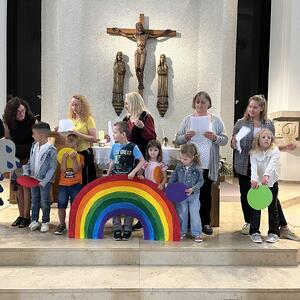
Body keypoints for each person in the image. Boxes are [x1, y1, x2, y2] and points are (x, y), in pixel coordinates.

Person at [231, 94, 299, 241]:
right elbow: (233, 144)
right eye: (250, 106)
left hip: (264, 165)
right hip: (245, 163)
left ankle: (283, 226)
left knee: (270, 196)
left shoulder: (268, 124)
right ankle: (250, 223)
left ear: (262, 108)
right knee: (246, 194)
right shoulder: (240, 123)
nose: (252, 109)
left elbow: (271, 146)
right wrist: (234, 141)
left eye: (255, 107)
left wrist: (285, 147)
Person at [176, 91, 228, 235]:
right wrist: (185, 137)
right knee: (188, 193)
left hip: (207, 163)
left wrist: (214, 137)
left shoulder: (216, 120)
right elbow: (178, 139)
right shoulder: (187, 120)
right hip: (190, 164)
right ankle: (187, 223)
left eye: (203, 102)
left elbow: (224, 139)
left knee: (205, 194)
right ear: (194, 103)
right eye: (198, 102)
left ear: (209, 104)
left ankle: (205, 222)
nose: (200, 105)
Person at [123, 91, 156, 230]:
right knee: (132, 189)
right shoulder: (126, 119)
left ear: (134, 103)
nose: (125, 105)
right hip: (129, 158)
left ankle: (144, 219)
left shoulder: (146, 117)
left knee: (142, 189)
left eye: (126, 102)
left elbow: (153, 137)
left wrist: (143, 128)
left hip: (142, 157)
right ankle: (131, 218)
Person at [107, 121, 145, 241]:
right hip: (115, 181)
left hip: (128, 181)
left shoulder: (133, 147)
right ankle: (117, 228)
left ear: (123, 134)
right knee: (115, 203)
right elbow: (112, 162)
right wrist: (108, 174)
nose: (113, 135)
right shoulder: (114, 146)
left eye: (115, 132)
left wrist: (133, 172)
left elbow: (142, 161)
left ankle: (128, 228)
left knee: (129, 204)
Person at [3, 97, 36, 228]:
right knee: (18, 188)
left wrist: (25, 156)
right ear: (12, 113)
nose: (21, 113)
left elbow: (36, 142)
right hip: (16, 158)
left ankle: (27, 216)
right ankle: (21, 215)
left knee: (26, 187)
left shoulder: (32, 121)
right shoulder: (9, 123)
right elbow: (8, 142)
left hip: (29, 157)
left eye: (23, 110)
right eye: (18, 112)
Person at [112, 23, 172, 91]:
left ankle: (141, 83)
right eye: (138, 27)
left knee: (141, 68)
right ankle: (139, 83)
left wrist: (164, 32)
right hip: (137, 51)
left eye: (140, 26)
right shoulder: (136, 35)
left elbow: (156, 36)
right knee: (136, 68)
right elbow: (126, 35)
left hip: (143, 51)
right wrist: (119, 32)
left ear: (142, 28)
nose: (139, 28)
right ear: (136, 28)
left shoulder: (146, 35)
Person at [23, 122, 57, 233]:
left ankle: (45, 221)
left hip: (44, 182)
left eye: (34, 134)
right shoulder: (34, 146)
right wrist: (26, 171)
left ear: (42, 135)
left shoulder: (51, 150)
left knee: (45, 201)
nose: (32, 136)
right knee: (35, 200)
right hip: (33, 179)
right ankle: (34, 220)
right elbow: (30, 161)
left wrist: (44, 181)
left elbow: (52, 168)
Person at [249, 129, 280, 243]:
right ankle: (255, 232)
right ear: (258, 139)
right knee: (256, 207)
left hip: (271, 182)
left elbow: (272, 165)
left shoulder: (275, 150)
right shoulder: (254, 153)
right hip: (257, 183)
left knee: (273, 207)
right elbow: (254, 167)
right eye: (264, 137)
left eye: (269, 137)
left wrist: (266, 176)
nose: (266, 139)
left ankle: (273, 232)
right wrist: (254, 179)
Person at [169, 143, 204, 243]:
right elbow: (173, 179)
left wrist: (193, 189)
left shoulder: (197, 168)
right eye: (181, 158)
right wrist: (172, 189)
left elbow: (201, 181)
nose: (182, 161)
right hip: (181, 196)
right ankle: (181, 231)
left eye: (185, 159)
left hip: (194, 196)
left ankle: (197, 233)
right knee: (182, 213)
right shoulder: (179, 167)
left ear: (192, 157)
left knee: (194, 214)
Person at [54, 134, 83, 235]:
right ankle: (62, 225)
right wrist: (65, 160)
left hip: (76, 184)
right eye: (69, 148)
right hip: (63, 185)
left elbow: (76, 170)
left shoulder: (80, 157)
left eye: (73, 148)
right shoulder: (62, 156)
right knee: (61, 205)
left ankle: (74, 224)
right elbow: (62, 170)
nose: (71, 151)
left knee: (75, 205)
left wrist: (74, 159)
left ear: (77, 147)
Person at [68, 94, 97, 186]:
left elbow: (94, 138)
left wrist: (77, 133)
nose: (74, 107)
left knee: (86, 180)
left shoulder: (88, 119)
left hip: (85, 152)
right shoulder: (71, 119)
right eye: (72, 105)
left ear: (82, 105)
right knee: (76, 179)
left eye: (76, 105)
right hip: (73, 153)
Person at [112, 51, 126, 116]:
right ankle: (116, 100)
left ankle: (120, 100)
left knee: (120, 89)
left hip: (121, 79)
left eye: (121, 56)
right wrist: (120, 70)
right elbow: (115, 69)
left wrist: (122, 71)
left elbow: (124, 70)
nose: (120, 57)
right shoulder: (116, 63)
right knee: (117, 89)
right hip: (117, 78)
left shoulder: (123, 63)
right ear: (117, 56)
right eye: (119, 55)